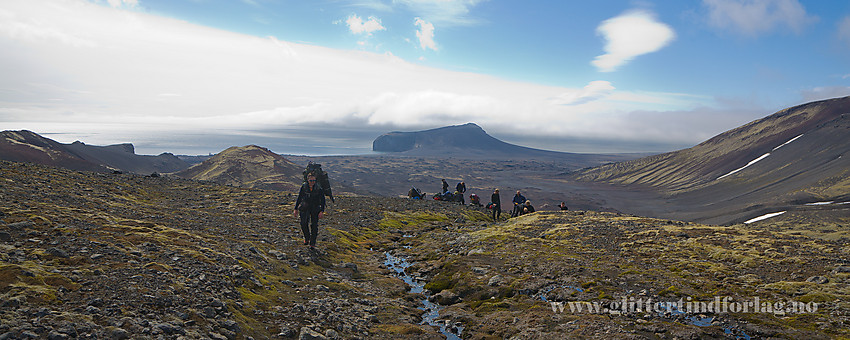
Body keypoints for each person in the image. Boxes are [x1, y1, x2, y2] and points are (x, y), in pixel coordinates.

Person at [294, 174, 326, 248]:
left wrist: (322, 211)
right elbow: (299, 197)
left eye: (314, 180)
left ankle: (312, 243)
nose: (312, 182)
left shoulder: (319, 188)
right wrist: (296, 209)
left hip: (315, 208)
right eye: (311, 180)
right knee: (303, 223)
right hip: (305, 207)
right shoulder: (304, 187)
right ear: (308, 180)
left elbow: (323, 200)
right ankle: (307, 238)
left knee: (314, 225)